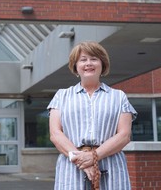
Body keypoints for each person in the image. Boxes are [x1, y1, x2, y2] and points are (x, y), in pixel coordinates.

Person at [47, 41, 137, 190]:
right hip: (71, 168)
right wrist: (82, 161)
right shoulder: (61, 96)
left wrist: (93, 156)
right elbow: (56, 134)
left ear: (103, 64)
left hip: (111, 166)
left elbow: (124, 135)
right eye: (83, 60)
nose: (88, 63)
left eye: (94, 59)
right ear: (75, 66)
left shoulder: (119, 97)